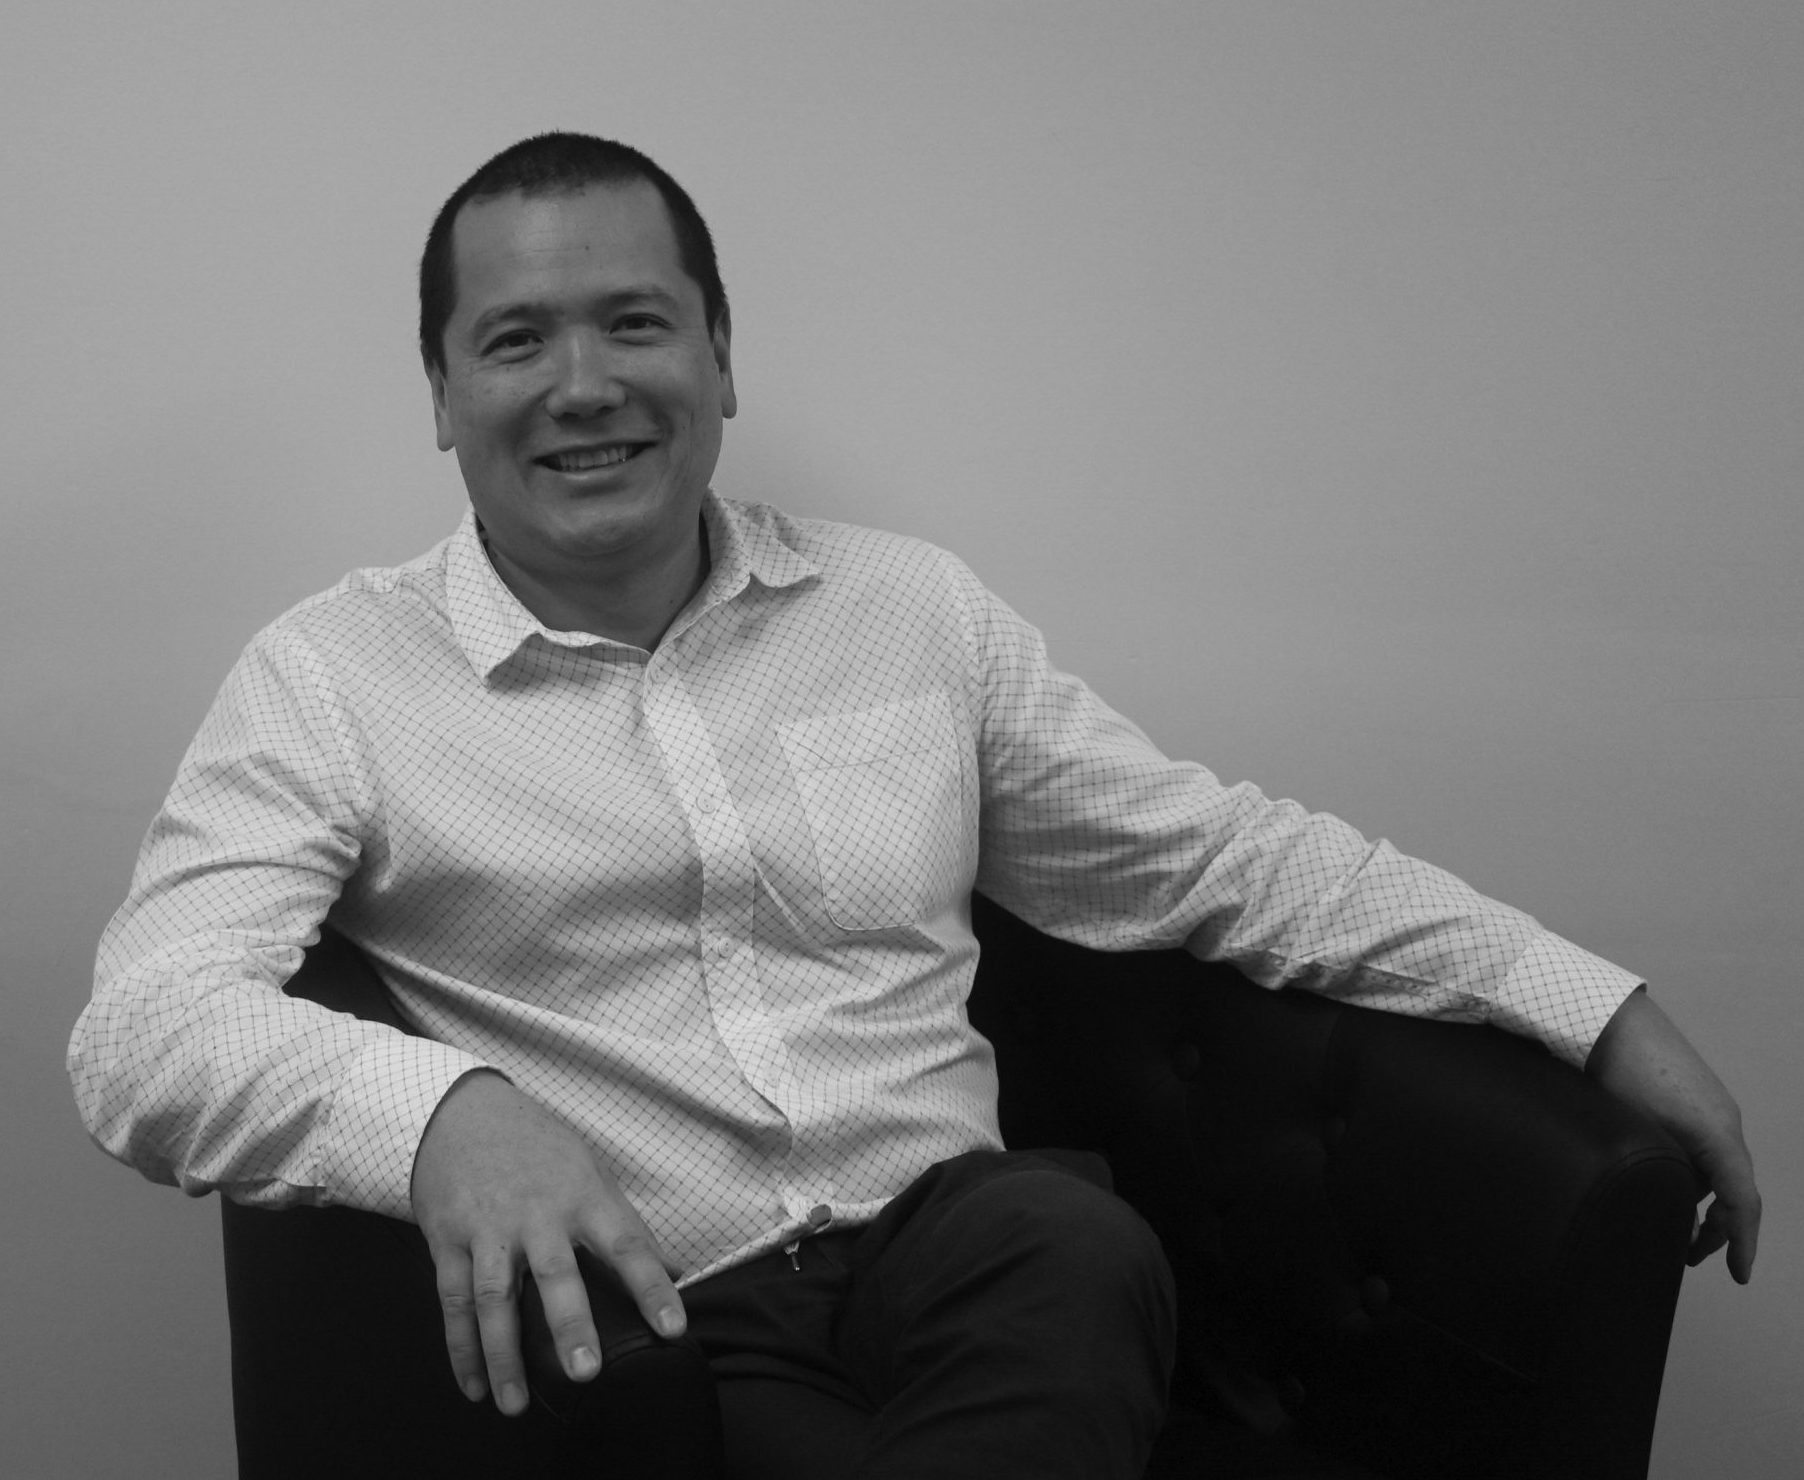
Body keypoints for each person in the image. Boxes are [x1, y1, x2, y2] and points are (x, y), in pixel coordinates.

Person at [69, 132, 1760, 1478]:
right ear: (441, 399)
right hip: (668, 1301)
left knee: (1079, 1249)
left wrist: (1589, 1008)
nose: (582, 382)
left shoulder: (910, 614)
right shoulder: (330, 677)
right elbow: (144, 1031)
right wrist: (444, 1115)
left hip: (970, 1249)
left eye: (636, 323)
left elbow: (1226, 860)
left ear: (722, 362)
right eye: (515, 340)